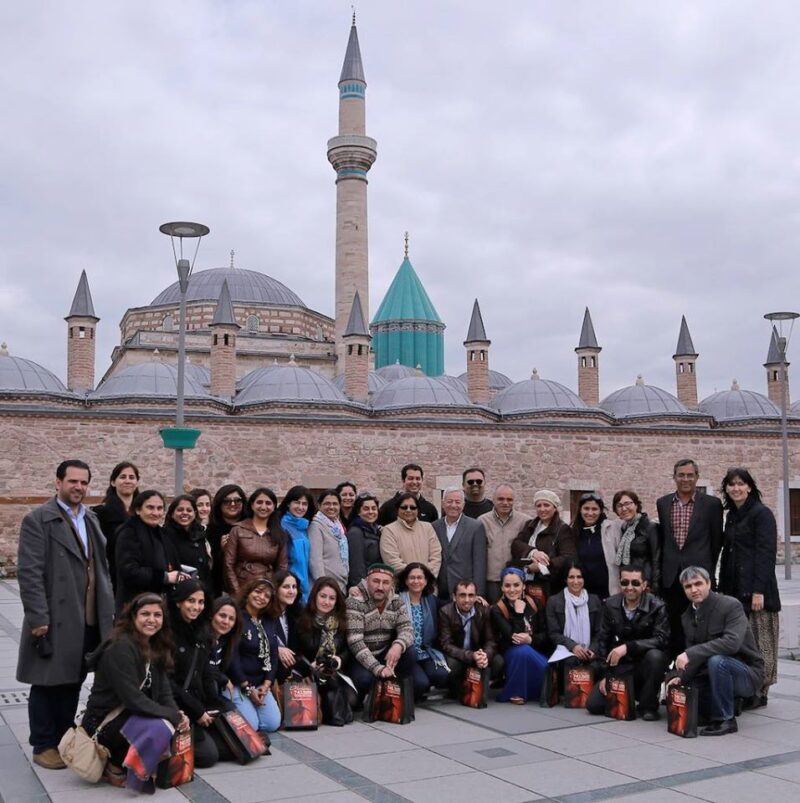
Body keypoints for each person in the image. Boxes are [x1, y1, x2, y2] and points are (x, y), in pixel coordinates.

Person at [16, 459, 114, 770]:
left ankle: (62, 736)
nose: (79, 487)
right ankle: (43, 743)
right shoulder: (38, 519)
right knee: (46, 681)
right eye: (73, 481)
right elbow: (29, 574)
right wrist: (38, 619)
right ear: (58, 482)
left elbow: (100, 568)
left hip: (87, 617)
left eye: (84, 482)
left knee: (73, 678)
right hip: (54, 618)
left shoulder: (91, 519)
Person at [81, 593, 188, 786]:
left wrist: (177, 714)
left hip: (129, 714)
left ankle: (133, 760)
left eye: (158, 615)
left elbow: (164, 692)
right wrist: (170, 716)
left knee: (172, 725)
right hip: (104, 721)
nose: (152, 620)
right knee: (159, 726)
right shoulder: (120, 648)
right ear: (133, 617)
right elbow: (133, 699)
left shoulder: (155, 644)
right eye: (145, 614)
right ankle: (114, 763)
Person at [672, 566, 764, 735]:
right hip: (710, 674)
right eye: (688, 586)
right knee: (692, 703)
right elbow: (695, 655)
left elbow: (731, 643)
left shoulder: (731, 605)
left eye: (698, 583)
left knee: (718, 661)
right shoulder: (687, 616)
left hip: (746, 674)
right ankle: (727, 705)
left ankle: (726, 719)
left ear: (709, 584)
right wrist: (680, 678)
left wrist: (689, 654)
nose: (694, 589)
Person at [718, 467, 780, 707]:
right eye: (731, 484)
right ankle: (746, 689)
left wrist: (758, 591)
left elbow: (766, 554)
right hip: (735, 591)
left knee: (761, 643)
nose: (736, 488)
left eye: (740, 483)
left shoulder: (761, 514)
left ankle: (760, 691)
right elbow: (728, 554)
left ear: (750, 487)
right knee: (743, 643)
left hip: (757, 593)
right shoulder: (733, 516)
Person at [585, 564, 670, 721]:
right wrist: (606, 675)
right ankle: (629, 697)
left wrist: (628, 647)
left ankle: (648, 706)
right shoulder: (610, 604)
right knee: (594, 705)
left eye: (635, 583)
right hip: (621, 667)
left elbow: (661, 639)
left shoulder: (657, 606)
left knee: (656, 656)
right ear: (620, 582)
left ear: (644, 585)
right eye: (625, 582)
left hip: (645, 665)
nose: (630, 587)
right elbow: (603, 641)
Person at [657, 459, 724, 657]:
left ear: (696, 477)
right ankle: (676, 671)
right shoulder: (663, 503)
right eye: (681, 475)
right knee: (675, 624)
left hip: (698, 575)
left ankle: (697, 665)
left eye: (689, 475)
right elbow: (665, 538)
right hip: (671, 575)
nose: (685, 479)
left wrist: (707, 569)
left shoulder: (712, 504)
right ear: (674, 477)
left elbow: (716, 541)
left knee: (701, 623)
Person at [167, 579, 234, 767]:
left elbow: (205, 672)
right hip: (178, 705)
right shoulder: (168, 633)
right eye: (191, 601)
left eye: (201, 602)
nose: (196, 607)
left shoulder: (201, 631)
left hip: (199, 702)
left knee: (234, 742)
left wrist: (215, 704)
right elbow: (167, 683)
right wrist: (197, 711)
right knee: (209, 757)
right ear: (179, 601)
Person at [345, 563, 419, 702]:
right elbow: (355, 642)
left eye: (385, 582)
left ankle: (391, 689)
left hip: (385, 654)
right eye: (376, 581)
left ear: (391, 585)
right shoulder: (355, 602)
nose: (380, 587)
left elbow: (407, 629)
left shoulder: (397, 601)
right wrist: (378, 669)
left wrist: (398, 645)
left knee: (411, 654)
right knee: (364, 680)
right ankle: (374, 693)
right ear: (367, 581)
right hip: (360, 658)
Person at [295, 577, 357, 725]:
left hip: (333, 670)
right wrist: (310, 665)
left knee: (352, 699)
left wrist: (339, 660)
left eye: (331, 598)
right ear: (315, 596)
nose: (326, 602)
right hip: (308, 670)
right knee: (335, 695)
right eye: (323, 596)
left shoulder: (340, 621)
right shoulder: (302, 619)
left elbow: (347, 649)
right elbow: (295, 652)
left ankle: (328, 707)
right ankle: (330, 711)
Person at [114, 490, 185, 611]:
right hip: (136, 604)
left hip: (161, 604)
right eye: (150, 508)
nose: (156, 512)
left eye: (160, 508)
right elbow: (129, 571)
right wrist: (165, 577)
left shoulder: (162, 534)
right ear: (138, 510)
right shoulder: (129, 533)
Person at [490, 567, 549, 704]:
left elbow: (545, 634)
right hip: (510, 652)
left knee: (528, 651)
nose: (512, 590)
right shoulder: (497, 609)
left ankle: (537, 688)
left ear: (524, 586)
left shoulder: (535, 603)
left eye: (516, 585)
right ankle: (516, 691)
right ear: (502, 588)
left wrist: (531, 639)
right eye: (507, 585)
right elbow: (514, 638)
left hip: (534, 648)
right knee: (522, 651)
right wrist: (518, 613)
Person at [231, 578, 282, 735]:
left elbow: (273, 654)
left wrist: (266, 685)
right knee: (251, 726)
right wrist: (247, 688)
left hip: (261, 684)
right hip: (238, 683)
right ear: (248, 592)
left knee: (272, 724)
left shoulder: (269, 620)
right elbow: (233, 657)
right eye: (258, 592)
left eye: (267, 596)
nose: (261, 597)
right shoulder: (237, 618)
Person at [511, 489, 576, 602]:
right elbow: (516, 544)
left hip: (550, 585)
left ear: (554, 508)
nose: (542, 509)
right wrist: (534, 552)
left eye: (546, 505)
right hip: (527, 582)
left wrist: (541, 567)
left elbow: (567, 557)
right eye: (538, 505)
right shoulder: (530, 525)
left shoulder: (562, 529)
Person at [437, 579, 499, 696]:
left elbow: (490, 640)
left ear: (476, 597)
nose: (467, 600)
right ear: (454, 597)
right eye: (462, 595)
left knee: (498, 661)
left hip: (477, 652)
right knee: (452, 666)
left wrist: (484, 655)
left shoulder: (483, 610)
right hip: (458, 655)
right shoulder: (445, 612)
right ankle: (456, 690)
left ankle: (479, 688)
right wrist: (471, 655)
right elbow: (446, 644)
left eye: (471, 595)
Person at [397, 562, 450, 697]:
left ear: (426, 581)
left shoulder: (431, 601)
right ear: (406, 580)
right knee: (421, 684)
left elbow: (453, 605)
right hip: (406, 654)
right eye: (412, 578)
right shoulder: (396, 601)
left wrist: (476, 599)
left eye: (420, 578)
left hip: (426, 652)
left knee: (442, 675)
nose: (416, 581)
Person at [224, 487, 288, 595]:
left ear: (273, 507)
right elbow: (228, 565)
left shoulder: (279, 534)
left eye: (268, 503)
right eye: (259, 502)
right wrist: (237, 593)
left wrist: (273, 591)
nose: (263, 507)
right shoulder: (238, 530)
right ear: (252, 505)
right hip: (242, 587)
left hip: (267, 589)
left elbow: (282, 567)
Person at [92, 461, 140, 594]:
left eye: (131, 477)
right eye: (122, 477)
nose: (127, 481)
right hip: (112, 579)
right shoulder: (101, 514)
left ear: (137, 482)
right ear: (113, 482)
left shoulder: (143, 514)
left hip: (139, 579)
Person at [480, 484, 532, 604]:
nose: (505, 502)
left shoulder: (525, 521)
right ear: (493, 500)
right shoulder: (482, 521)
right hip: (492, 581)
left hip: (515, 581)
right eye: (501, 499)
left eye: (509, 499)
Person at [433, 487, 487, 599]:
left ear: (463, 505)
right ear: (443, 504)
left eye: (457, 502)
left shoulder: (475, 527)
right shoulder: (434, 526)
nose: (453, 505)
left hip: (465, 591)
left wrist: (478, 593)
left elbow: (480, 563)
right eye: (449, 501)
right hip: (441, 590)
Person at [604, 490, 661, 596]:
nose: (624, 508)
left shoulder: (649, 527)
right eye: (619, 505)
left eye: (627, 504)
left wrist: (653, 586)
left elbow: (656, 559)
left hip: (644, 583)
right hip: (628, 583)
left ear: (636, 505)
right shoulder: (623, 529)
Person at [545, 560, 602, 667]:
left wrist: (592, 650)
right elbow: (554, 634)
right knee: (570, 662)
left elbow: (599, 632)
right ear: (565, 579)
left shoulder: (594, 600)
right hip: (565, 650)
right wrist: (573, 646)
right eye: (571, 577)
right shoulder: (554, 601)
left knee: (595, 666)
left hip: (590, 650)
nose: (576, 581)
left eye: (579, 577)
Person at [380, 492, 442, 577]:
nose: (408, 510)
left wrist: (425, 578)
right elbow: (392, 561)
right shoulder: (389, 530)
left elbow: (436, 556)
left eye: (413, 507)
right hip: (401, 586)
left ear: (418, 510)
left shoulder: (428, 528)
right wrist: (416, 577)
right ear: (397, 509)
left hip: (427, 584)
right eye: (404, 507)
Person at [163, 494, 213, 591]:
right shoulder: (165, 535)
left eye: (189, 510)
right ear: (172, 513)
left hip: (201, 589)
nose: (185, 513)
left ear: (195, 513)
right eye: (180, 510)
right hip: (177, 590)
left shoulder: (201, 535)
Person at [571, 493, 614, 599]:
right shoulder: (574, 532)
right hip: (582, 592)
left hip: (606, 593)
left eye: (594, 509)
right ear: (580, 510)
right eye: (586, 508)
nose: (590, 513)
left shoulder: (610, 529)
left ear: (600, 511)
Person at [277, 486, 316, 604]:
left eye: (304, 504)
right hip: (289, 586)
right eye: (297, 502)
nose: (300, 507)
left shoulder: (304, 527)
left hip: (305, 587)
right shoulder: (281, 526)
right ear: (288, 503)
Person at [207, 484, 247, 595]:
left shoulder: (251, 526)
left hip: (248, 584)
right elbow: (209, 565)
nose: (233, 504)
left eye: (237, 500)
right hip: (220, 588)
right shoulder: (210, 531)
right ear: (219, 504)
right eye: (226, 501)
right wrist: (221, 550)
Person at [208, 595, 245, 713]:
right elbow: (204, 668)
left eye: (231, 619)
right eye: (222, 616)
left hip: (216, 690)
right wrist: (223, 678)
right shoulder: (201, 639)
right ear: (212, 614)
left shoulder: (228, 641)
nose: (226, 622)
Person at [309, 489, 349, 593]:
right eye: (327, 503)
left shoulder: (338, 527)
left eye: (335, 504)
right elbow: (315, 561)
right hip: (326, 587)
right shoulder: (316, 526)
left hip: (341, 583)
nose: (331, 507)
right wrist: (323, 586)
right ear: (319, 505)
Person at [267, 570, 303, 681]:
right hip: (269, 673)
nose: (291, 591)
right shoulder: (265, 613)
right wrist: (277, 649)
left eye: (294, 587)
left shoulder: (296, 613)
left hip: (291, 672)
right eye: (286, 587)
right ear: (276, 589)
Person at [346, 494, 382, 587]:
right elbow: (356, 566)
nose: (371, 512)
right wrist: (362, 588)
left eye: (374, 508)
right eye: (366, 509)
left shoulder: (376, 530)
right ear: (358, 512)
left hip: (376, 583)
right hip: (365, 586)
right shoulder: (355, 532)